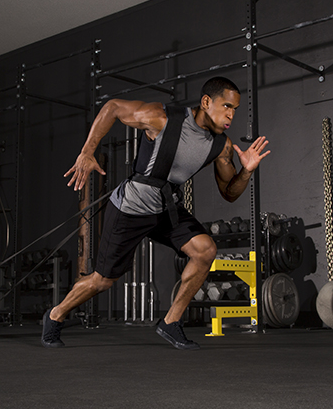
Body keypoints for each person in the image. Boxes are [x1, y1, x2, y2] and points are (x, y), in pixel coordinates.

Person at [41, 77, 270, 350]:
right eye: (227, 106)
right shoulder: (163, 118)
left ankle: (171, 322)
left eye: (235, 108)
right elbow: (113, 107)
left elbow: (230, 193)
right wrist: (88, 151)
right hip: (131, 207)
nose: (232, 114)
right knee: (102, 281)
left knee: (205, 250)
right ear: (207, 102)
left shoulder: (221, 145)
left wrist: (246, 171)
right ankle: (55, 315)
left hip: (166, 208)